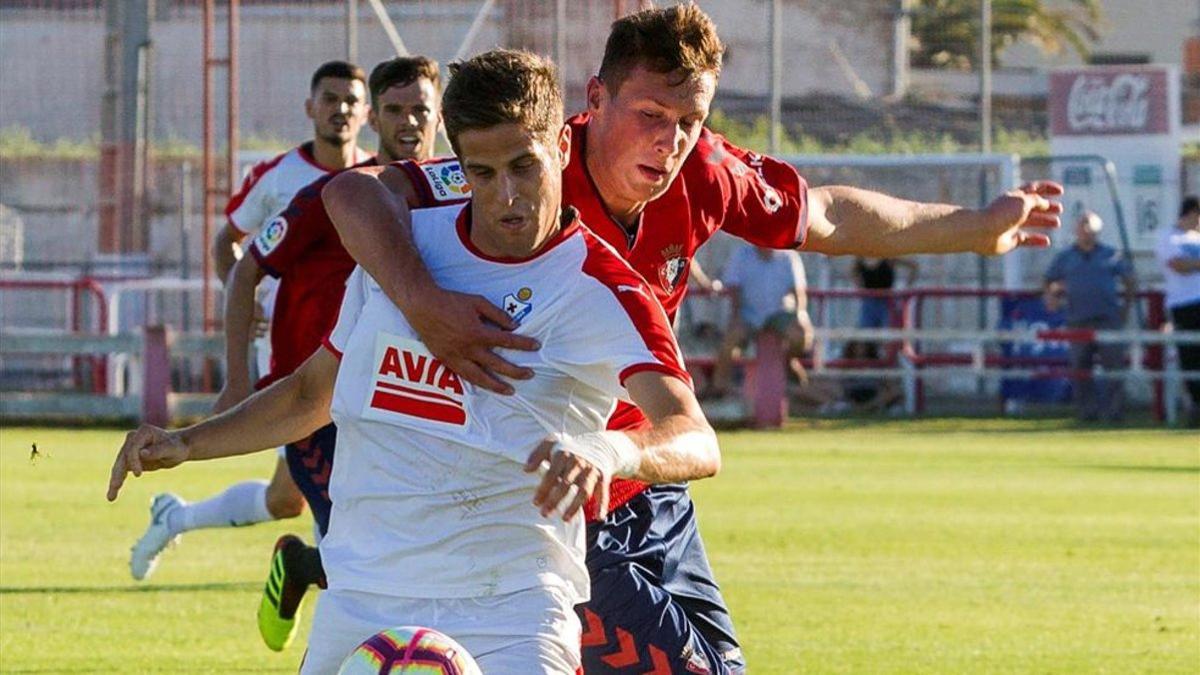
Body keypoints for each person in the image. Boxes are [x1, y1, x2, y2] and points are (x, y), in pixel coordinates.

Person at [322, 6, 1062, 672]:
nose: (671, 140)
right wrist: (422, 301)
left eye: (690, 119)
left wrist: (975, 228)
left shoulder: (705, 172)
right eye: (650, 113)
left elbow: (831, 217)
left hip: (650, 475)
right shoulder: (527, 165)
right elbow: (357, 193)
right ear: (596, 100)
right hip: (554, 499)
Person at [107, 49, 722, 674]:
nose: (506, 196)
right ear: (457, 168)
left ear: (562, 146)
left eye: (523, 166)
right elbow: (307, 396)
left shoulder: (605, 290)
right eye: (482, 173)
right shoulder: (398, 255)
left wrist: (610, 450)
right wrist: (187, 444)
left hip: (511, 612)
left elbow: (694, 436)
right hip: (361, 605)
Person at [218, 56, 446, 651]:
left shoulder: (458, 194)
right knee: (360, 561)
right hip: (316, 406)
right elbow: (245, 270)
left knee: (406, 550)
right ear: (377, 118)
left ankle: (300, 567)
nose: (408, 121)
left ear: (440, 113)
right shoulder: (338, 195)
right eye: (395, 109)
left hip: (404, 406)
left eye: (420, 108)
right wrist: (239, 379)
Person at [128, 61, 372, 583]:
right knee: (340, 516)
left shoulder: (379, 177)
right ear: (311, 108)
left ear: (366, 112)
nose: (341, 109)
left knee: (286, 500)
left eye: (351, 100)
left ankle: (178, 517)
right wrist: (246, 305)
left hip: (362, 356)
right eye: (330, 98)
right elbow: (230, 248)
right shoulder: (281, 178)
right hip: (297, 360)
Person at [1045, 211, 1136, 422]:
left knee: (1114, 367)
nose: (1086, 232)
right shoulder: (1065, 257)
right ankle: (1087, 413)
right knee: (1079, 368)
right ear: (1076, 230)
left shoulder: (1111, 254)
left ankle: (1115, 413)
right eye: (1083, 227)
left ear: (1098, 231)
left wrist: (1126, 308)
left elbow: (1130, 280)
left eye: (1091, 228)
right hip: (1077, 320)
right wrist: (1051, 296)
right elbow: (1049, 279)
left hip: (1107, 318)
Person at [709, 243, 813, 397]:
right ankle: (718, 389)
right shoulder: (741, 254)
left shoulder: (789, 256)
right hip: (748, 315)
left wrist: (801, 315)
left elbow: (798, 291)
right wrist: (736, 317)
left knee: (803, 335)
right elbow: (734, 289)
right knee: (729, 343)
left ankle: (789, 361)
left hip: (779, 313)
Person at [1155, 195, 1200, 427]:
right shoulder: (1168, 237)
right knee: (1190, 356)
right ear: (1191, 213)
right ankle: (1196, 404)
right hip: (1184, 305)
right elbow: (1177, 265)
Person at [998, 280, 1071, 413]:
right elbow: (1005, 334)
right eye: (1052, 294)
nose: (1055, 299)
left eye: (1060, 295)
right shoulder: (1027, 312)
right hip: (1030, 364)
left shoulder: (1071, 316)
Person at [852, 257, 919, 328]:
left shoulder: (888, 257)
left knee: (887, 333)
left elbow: (913, 266)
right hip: (868, 303)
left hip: (886, 303)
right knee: (866, 334)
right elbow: (853, 271)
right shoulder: (861, 257)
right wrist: (859, 288)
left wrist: (906, 286)